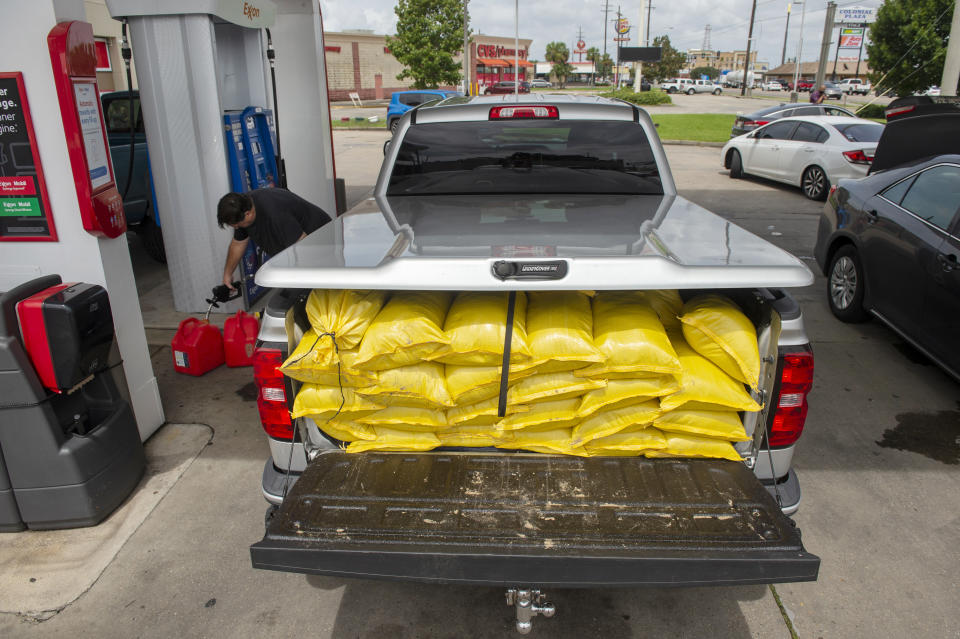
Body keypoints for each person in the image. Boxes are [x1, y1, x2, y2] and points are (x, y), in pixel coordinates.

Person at [217, 188, 331, 290]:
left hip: (324, 243)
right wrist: (227, 274)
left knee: (321, 290)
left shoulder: (275, 213)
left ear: (248, 214)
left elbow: (302, 247)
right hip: (301, 246)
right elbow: (238, 243)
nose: (236, 228)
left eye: (236, 225)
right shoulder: (241, 208)